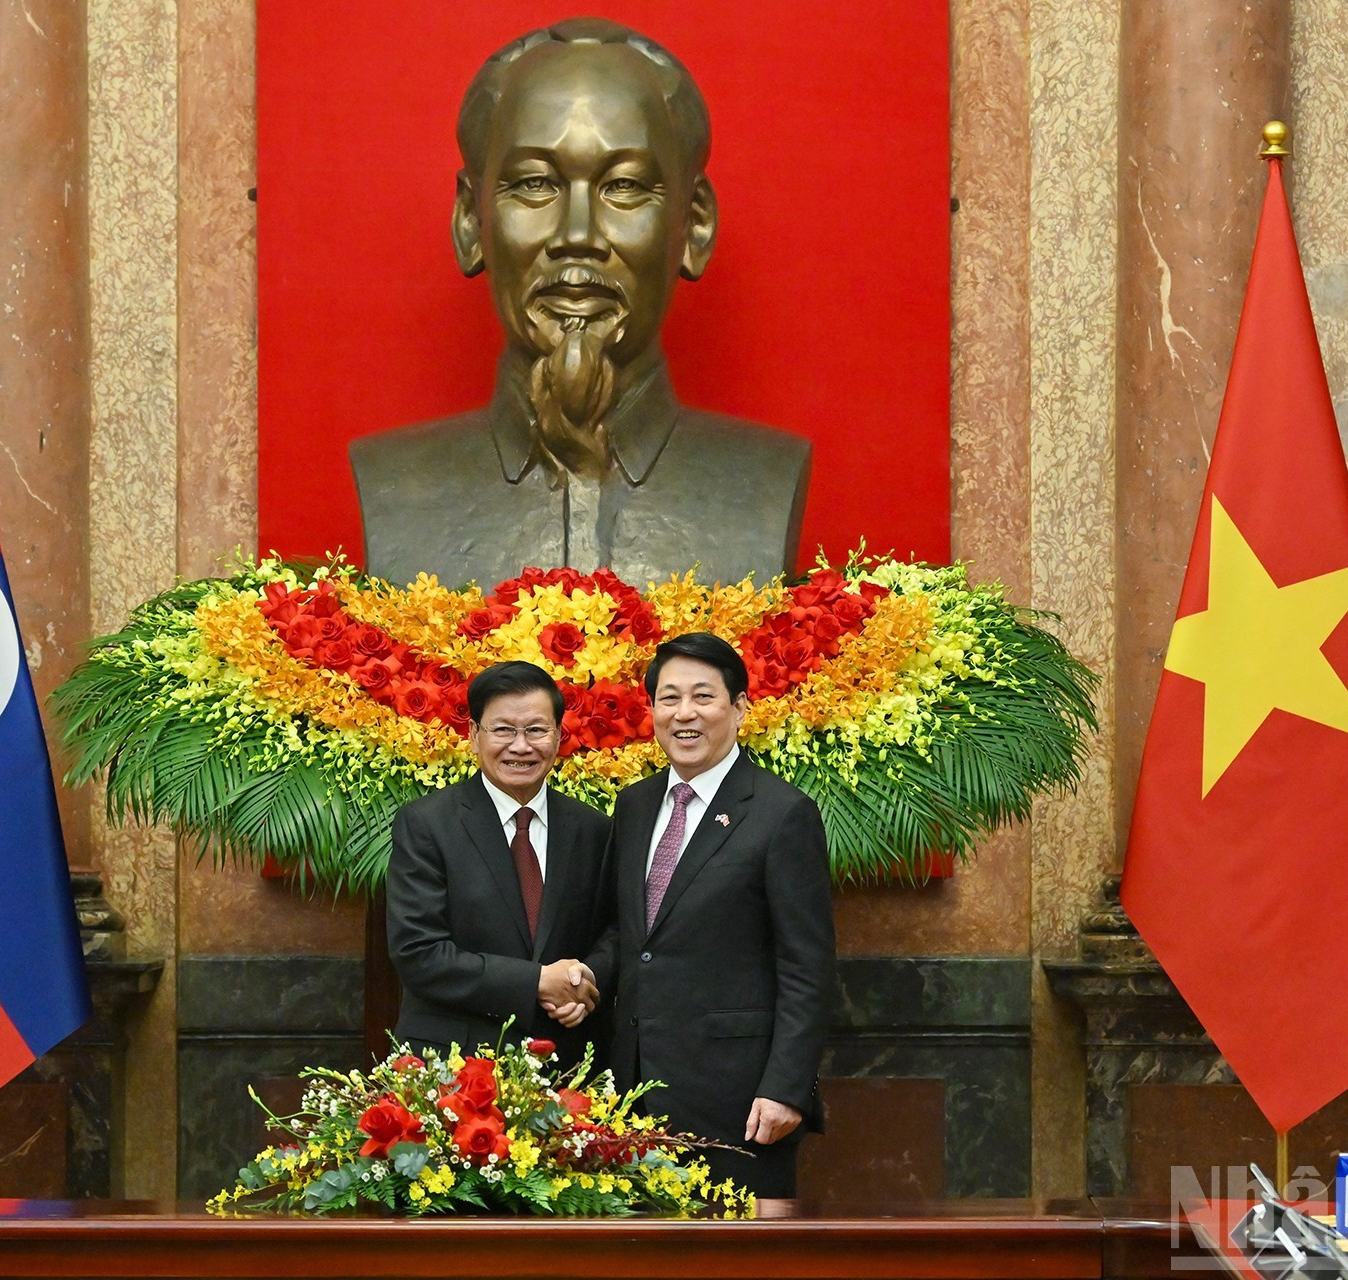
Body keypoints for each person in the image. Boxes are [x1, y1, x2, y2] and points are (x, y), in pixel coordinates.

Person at [350, 18, 810, 590]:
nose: (577, 235)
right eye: (534, 184)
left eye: (624, 186)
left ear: (693, 226)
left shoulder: (766, 482)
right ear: (471, 222)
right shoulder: (394, 484)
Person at [606, 632, 835, 1199]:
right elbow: (630, 935)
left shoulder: (782, 813)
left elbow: (807, 966)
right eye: (669, 698)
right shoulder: (634, 805)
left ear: (739, 708)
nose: (684, 713)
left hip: (740, 1101)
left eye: (703, 697)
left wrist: (787, 1088)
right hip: (631, 1096)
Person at [385, 660, 613, 1062]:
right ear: (474, 735)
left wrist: (585, 981)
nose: (521, 746)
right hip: (452, 1061)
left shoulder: (594, 828)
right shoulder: (427, 824)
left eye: (536, 730)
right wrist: (536, 982)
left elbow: (617, 930)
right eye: (504, 730)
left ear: (559, 735)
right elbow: (419, 953)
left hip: (566, 1061)